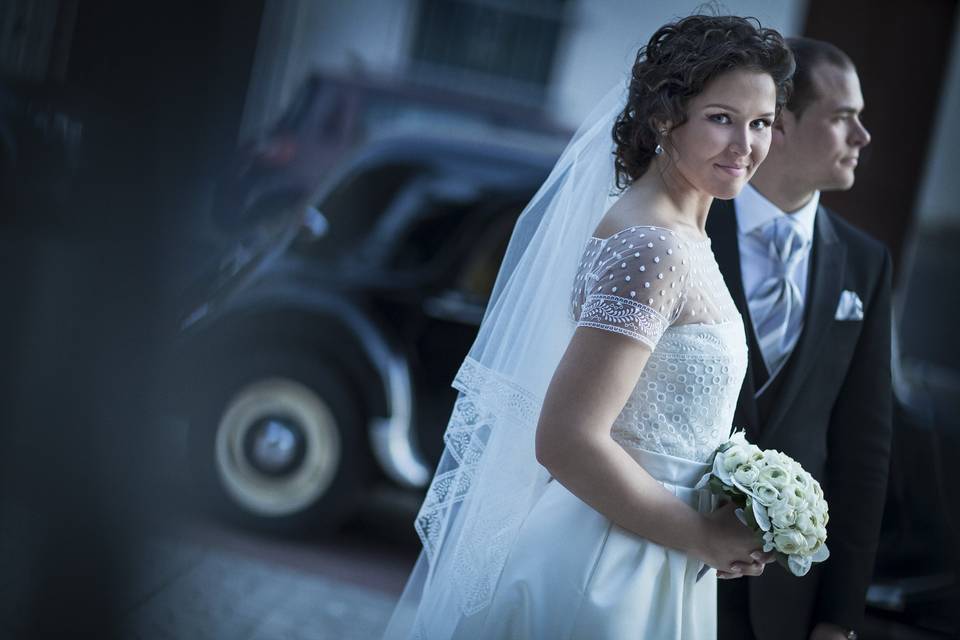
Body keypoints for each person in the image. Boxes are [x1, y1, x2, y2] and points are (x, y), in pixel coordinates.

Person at [383, 15, 794, 640]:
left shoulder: (682, 233)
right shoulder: (657, 247)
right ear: (665, 117)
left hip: (647, 553)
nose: (745, 144)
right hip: (604, 570)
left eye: (760, 123)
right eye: (721, 117)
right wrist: (703, 535)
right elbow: (568, 438)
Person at [708, 37, 892, 640]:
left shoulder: (866, 264)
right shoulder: (688, 229)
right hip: (670, 559)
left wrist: (839, 618)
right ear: (780, 125)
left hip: (785, 598)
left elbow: (864, 449)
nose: (861, 136)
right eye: (843, 118)